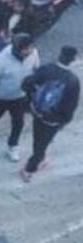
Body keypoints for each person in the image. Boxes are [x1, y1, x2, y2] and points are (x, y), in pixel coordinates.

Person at [0, 32, 41, 161]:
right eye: (26, 49)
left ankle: (13, 146)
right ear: (17, 49)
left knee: (18, 123)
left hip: (19, 97)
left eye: (31, 47)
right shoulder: (1, 59)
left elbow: (36, 69)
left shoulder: (34, 53)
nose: (29, 51)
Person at [20, 45, 80, 181]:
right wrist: (64, 121)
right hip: (54, 118)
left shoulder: (46, 69)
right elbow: (71, 106)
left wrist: (32, 99)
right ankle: (30, 168)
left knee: (38, 137)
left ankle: (40, 156)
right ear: (73, 59)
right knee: (42, 143)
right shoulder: (73, 81)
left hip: (38, 111)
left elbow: (26, 83)